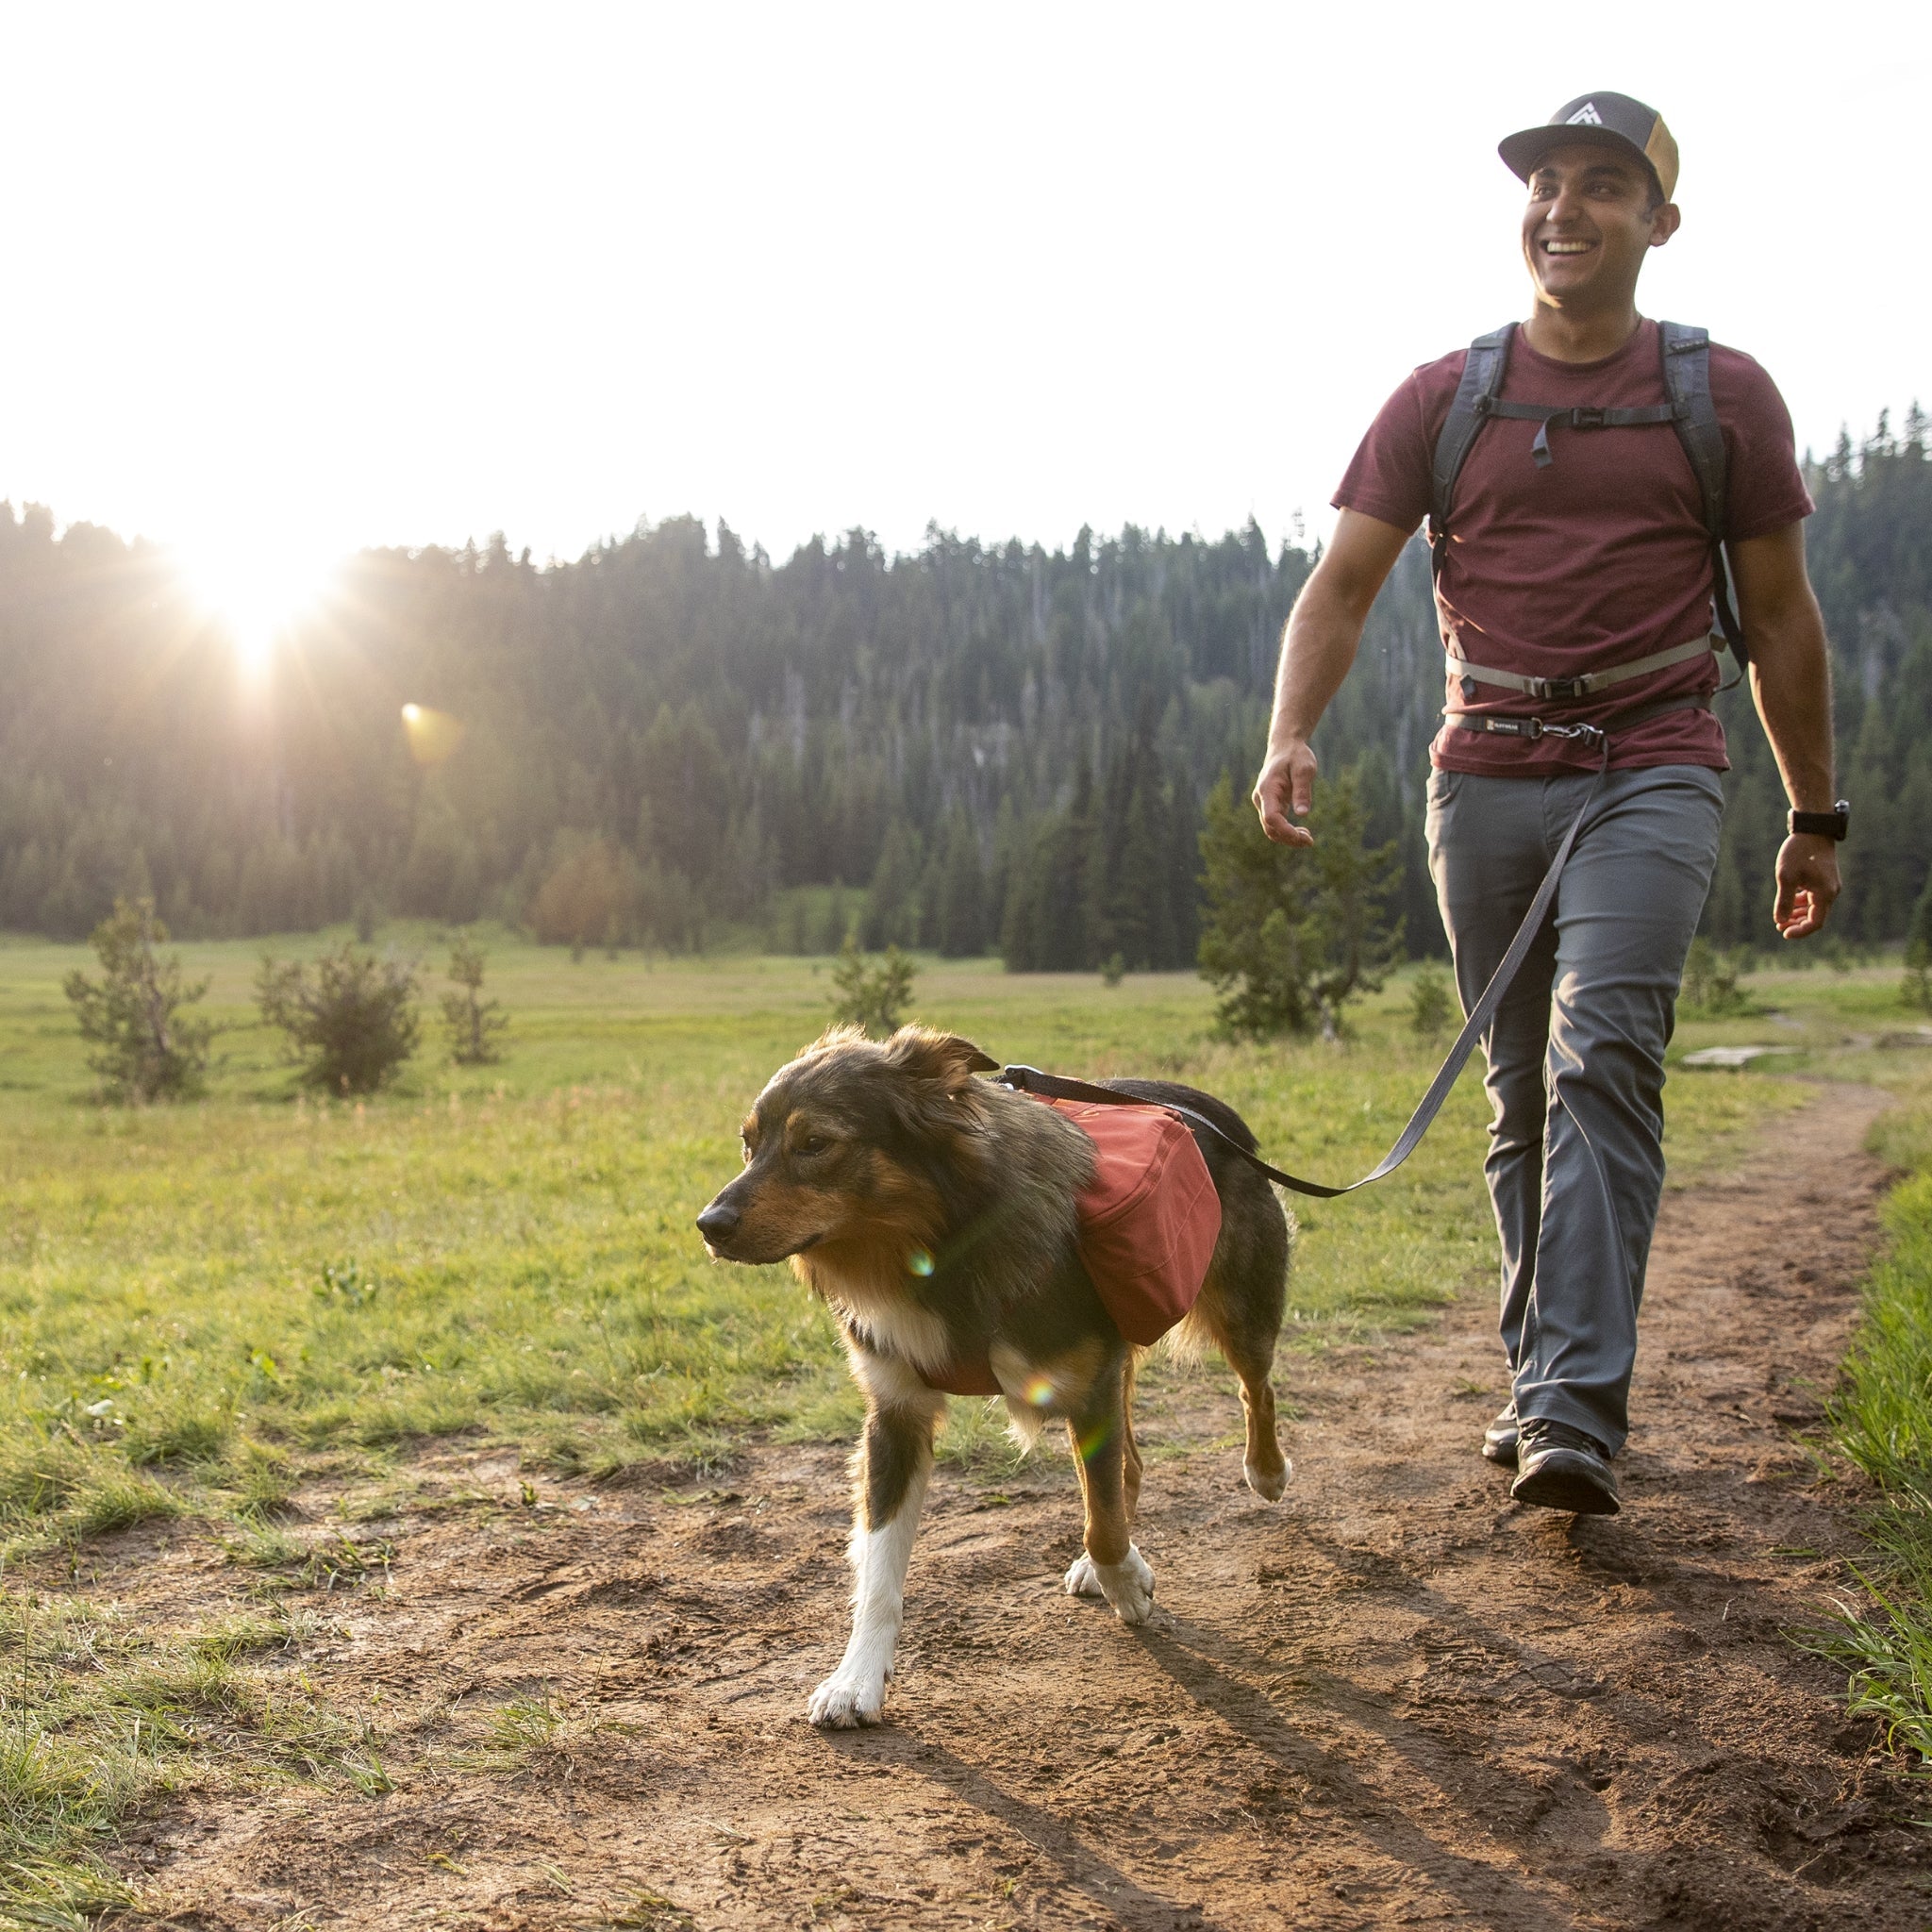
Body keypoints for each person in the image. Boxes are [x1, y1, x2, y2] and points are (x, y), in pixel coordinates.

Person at [1251, 92, 1844, 1516]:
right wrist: (1290, 731)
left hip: (1655, 762)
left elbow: (1778, 616)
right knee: (1516, 1094)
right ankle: (1536, 1375)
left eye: (1603, 185)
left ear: (1660, 221)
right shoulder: (1444, 397)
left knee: (1603, 1060)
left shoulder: (1722, 396)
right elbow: (1342, 585)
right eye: (1547, 184)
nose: (1565, 208)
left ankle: (1575, 1408)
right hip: (1489, 779)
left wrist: (1813, 811)